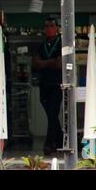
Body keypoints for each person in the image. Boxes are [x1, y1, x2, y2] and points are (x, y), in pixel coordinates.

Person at [33, 17, 64, 156]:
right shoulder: (41, 44)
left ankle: (49, 144)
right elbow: (35, 63)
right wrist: (51, 62)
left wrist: (44, 63)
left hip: (57, 84)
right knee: (51, 115)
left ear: (57, 28)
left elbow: (60, 63)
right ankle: (60, 140)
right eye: (47, 26)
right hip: (44, 84)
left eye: (52, 25)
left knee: (53, 114)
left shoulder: (62, 43)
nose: (49, 28)